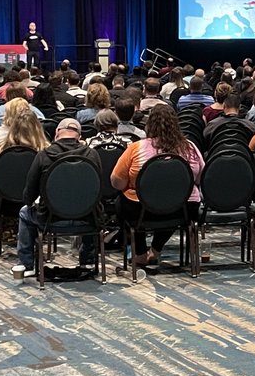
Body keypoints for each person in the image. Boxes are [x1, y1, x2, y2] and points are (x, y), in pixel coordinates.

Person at [111, 106, 205, 270]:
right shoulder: (189, 147)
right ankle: (155, 250)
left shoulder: (136, 148)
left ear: (149, 125)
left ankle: (139, 252)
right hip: (183, 209)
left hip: (141, 210)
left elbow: (116, 182)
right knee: (171, 204)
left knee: (122, 202)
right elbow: (200, 178)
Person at [12, 118, 102, 279]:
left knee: (24, 212)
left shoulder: (43, 156)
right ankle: (87, 260)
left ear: (56, 134)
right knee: (94, 206)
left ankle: (27, 264)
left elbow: (29, 195)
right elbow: (99, 190)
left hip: (50, 219)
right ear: (79, 137)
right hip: (87, 218)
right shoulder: (92, 155)